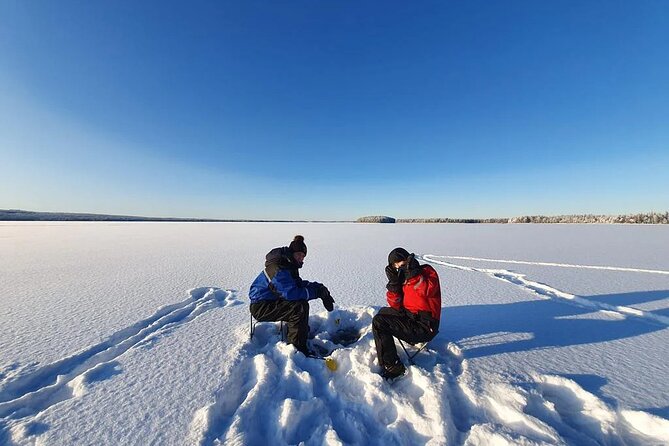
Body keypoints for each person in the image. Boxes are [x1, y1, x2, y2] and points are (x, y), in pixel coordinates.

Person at [249, 235, 335, 355]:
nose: (301, 258)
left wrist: (319, 288)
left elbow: (297, 285)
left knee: (300, 303)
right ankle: (298, 349)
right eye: (299, 254)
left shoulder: (288, 265)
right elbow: (291, 293)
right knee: (298, 307)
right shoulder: (279, 268)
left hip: (270, 302)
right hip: (261, 307)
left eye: (303, 256)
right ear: (292, 253)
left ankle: (301, 334)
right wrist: (316, 293)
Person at [372, 247, 442, 379]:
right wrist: (394, 284)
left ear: (408, 260)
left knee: (379, 323)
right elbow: (395, 305)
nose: (399, 266)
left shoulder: (427, 272)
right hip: (410, 317)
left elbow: (426, 291)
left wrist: (414, 275)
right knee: (382, 313)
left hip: (425, 326)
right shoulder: (402, 278)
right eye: (395, 265)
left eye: (401, 262)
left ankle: (393, 367)